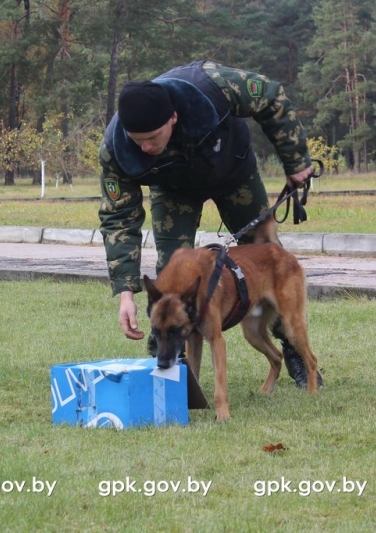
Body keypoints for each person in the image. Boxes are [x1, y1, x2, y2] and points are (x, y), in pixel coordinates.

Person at [98, 60, 321, 387]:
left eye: (152, 137)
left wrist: (297, 158)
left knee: (266, 259)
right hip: (173, 190)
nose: (145, 147)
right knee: (171, 270)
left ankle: (295, 353)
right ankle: (171, 363)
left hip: (234, 172)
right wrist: (126, 293)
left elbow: (271, 96)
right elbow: (118, 219)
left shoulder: (211, 84)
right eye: (138, 140)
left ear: (173, 117)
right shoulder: (115, 150)